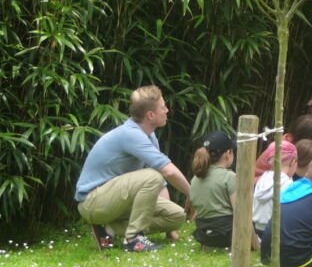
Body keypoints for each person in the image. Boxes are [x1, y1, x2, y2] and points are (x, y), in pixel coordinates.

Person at [75, 85, 188, 252]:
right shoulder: (130, 134)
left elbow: (161, 183)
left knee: (177, 216)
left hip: (117, 201)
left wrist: (170, 231)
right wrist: (193, 194)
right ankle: (133, 239)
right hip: (93, 203)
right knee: (152, 176)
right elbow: (167, 171)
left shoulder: (149, 136)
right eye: (163, 107)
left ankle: (109, 230)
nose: (167, 110)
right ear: (150, 115)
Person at [189, 131, 238, 249]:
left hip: (204, 235)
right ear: (228, 153)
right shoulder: (229, 176)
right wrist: (255, 244)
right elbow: (240, 213)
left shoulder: (195, 178)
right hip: (226, 236)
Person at [252, 140, 297, 234]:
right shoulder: (288, 185)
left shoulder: (262, 179)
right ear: (292, 163)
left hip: (258, 228)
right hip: (277, 230)